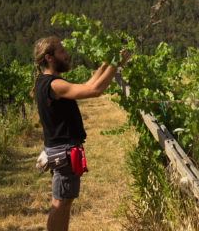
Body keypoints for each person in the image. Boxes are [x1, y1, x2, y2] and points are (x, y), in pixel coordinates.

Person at [31, 36, 130, 231]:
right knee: (60, 204)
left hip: (61, 151)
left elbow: (87, 84)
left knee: (64, 202)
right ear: (49, 58)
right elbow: (94, 90)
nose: (67, 55)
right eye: (61, 52)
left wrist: (106, 64)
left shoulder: (47, 82)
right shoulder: (54, 85)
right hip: (63, 153)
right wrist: (116, 65)